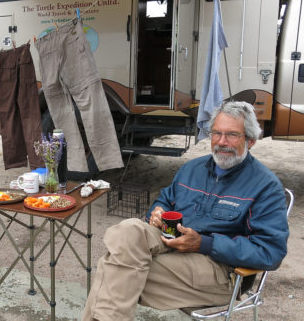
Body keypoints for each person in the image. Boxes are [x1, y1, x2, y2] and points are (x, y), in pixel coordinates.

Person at [82, 101, 289, 321]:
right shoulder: (192, 169)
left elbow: (271, 253)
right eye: (216, 133)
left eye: (232, 135)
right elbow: (166, 200)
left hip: (218, 268)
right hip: (171, 243)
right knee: (128, 230)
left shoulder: (265, 186)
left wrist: (204, 243)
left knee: (114, 267)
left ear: (251, 140)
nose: (221, 142)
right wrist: (158, 212)